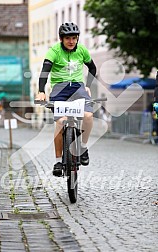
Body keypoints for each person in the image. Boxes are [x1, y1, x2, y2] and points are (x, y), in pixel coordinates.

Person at [35, 22, 96, 176]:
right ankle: (58, 161)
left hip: (78, 88)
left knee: (88, 116)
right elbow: (44, 72)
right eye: (68, 38)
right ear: (61, 39)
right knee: (61, 122)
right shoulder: (54, 51)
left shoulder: (82, 50)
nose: (71, 41)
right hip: (59, 90)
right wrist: (41, 91)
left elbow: (93, 68)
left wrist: (88, 85)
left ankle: (82, 147)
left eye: (74, 38)